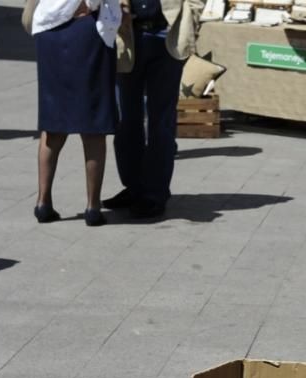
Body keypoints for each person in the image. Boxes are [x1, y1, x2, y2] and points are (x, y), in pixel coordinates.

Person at [102, 0, 204, 218]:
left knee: (161, 122)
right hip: (128, 35)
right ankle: (134, 187)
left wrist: (191, 19)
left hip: (166, 36)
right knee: (126, 120)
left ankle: (155, 194)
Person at [31, 0, 121, 226]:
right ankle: (92, 206)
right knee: (93, 124)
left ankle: (43, 202)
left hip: (49, 28)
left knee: (53, 123)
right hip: (85, 27)